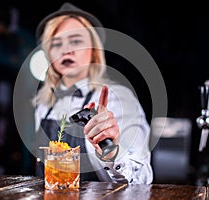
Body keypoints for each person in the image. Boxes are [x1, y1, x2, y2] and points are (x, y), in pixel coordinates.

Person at [33, 2, 153, 184]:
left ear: (94, 51)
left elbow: (141, 179)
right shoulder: (44, 104)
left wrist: (110, 151)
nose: (66, 50)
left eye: (76, 41)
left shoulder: (119, 99)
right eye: (56, 43)